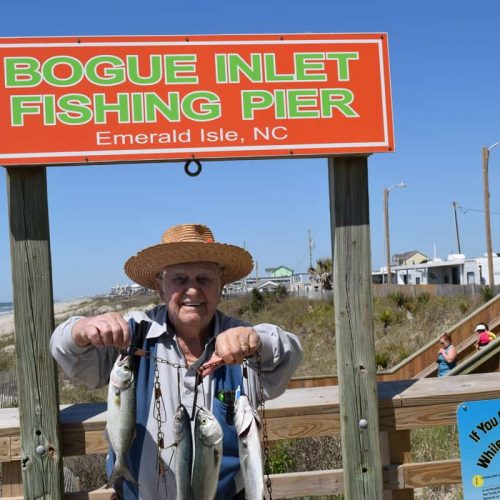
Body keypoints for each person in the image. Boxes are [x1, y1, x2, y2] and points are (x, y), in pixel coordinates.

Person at [50, 223, 303, 500]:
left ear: (221, 286)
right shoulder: (133, 335)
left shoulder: (241, 339)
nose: (192, 291)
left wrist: (257, 339)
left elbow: (289, 351)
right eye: (180, 280)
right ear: (160, 287)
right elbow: (64, 349)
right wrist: (82, 328)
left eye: (204, 279)